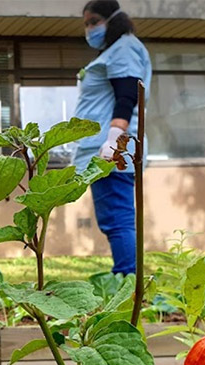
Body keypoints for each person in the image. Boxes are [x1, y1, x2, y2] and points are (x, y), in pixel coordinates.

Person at [75, 0, 152, 275]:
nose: (89, 29)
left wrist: (113, 140)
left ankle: (129, 279)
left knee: (117, 217)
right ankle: (127, 276)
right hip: (101, 150)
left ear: (113, 19)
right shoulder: (114, 51)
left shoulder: (124, 48)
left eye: (94, 21)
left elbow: (128, 95)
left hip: (109, 151)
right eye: (86, 24)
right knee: (114, 217)